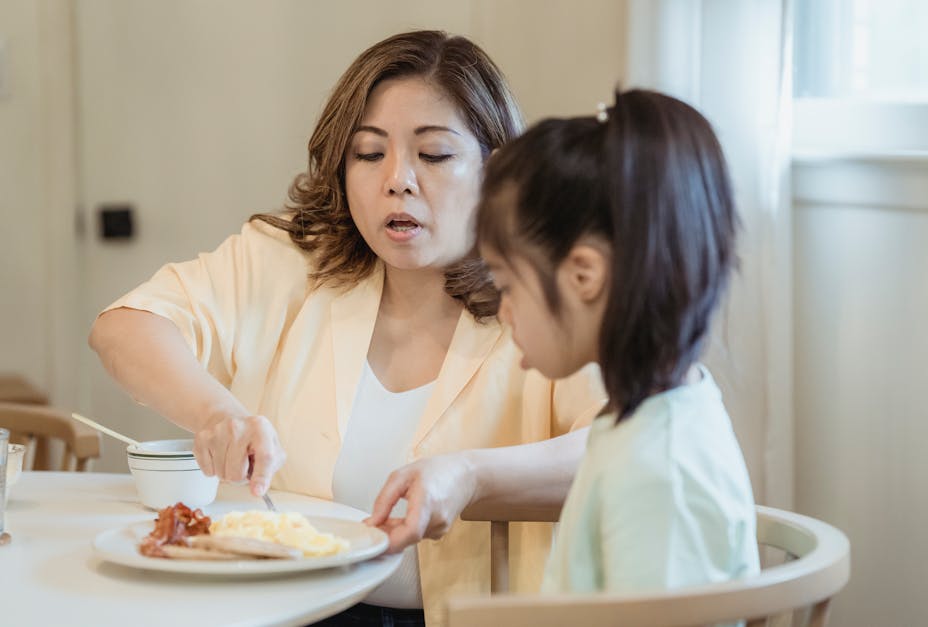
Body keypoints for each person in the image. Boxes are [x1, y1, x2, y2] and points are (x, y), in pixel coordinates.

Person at [88, 30, 606, 626]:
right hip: (287, 611)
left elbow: (620, 444)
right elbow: (125, 327)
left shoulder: (547, 292)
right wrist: (215, 414)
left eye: (434, 155)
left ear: (496, 169)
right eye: (368, 153)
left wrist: (468, 477)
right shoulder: (291, 258)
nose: (398, 179)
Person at [474, 89, 760, 594]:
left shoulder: (660, 475)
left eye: (507, 286)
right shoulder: (646, 417)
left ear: (584, 275)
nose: (504, 309)